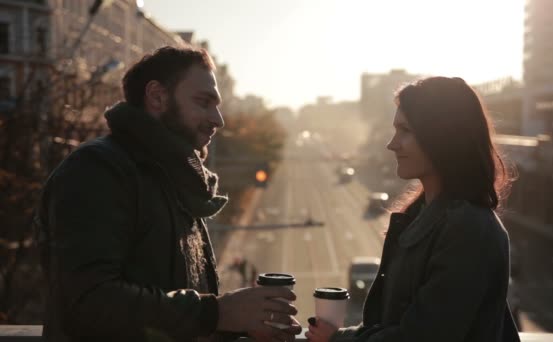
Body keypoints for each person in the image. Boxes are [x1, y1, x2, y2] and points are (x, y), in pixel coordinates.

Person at [35, 46, 301, 341]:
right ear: (158, 97)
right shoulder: (97, 169)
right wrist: (216, 313)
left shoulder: (175, 179)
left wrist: (236, 325)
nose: (218, 119)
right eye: (204, 102)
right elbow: (88, 302)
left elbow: (177, 319)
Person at [306, 76, 520, 342]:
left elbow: (421, 336)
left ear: (441, 137)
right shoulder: (424, 216)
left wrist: (338, 340)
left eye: (405, 130)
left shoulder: (468, 228)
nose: (392, 144)